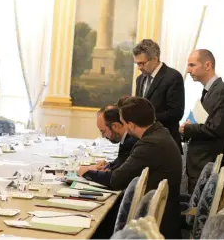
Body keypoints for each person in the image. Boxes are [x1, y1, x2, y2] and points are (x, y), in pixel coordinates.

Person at [79, 97, 182, 239]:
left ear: (131, 125)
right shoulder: (159, 132)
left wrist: (87, 173)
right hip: (160, 215)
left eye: (124, 122)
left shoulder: (149, 144)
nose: (123, 127)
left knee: (93, 224)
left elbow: (116, 180)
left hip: (155, 224)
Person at [180, 49, 224, 193]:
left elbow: (215, 128)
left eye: (192, 65)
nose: (188, 70)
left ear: (207, 65)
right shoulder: (210, 91)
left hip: (208, 164)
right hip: (200, 164)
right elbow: (200, 121)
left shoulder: (222, 91)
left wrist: (187, 129)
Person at [133, 39, 185, 154]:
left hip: (166, 144)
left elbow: (175, 113)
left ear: (155, 59)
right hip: (144, 143)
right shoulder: (140, 79)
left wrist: (146, 119)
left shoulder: (173, 77)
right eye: (137, 63)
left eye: (142, 63)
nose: (139, 67)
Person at [79, 105, 136, 176]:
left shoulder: (131, 142)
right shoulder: (126, 138)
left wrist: (86, 172)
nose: (102, 136)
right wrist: (108, 165)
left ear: (115, 126)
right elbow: (120, 163)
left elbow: (116, 178)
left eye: (103, 131)